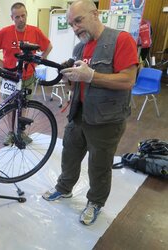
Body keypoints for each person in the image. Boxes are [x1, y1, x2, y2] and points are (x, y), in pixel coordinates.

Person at [42, 0, 138, 226]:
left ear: (95, 14)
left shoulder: (120, 40)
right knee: (70, 155)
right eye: (71, 24)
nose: (75, 28)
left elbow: (128, 79)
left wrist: (91, 76)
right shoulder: (79, 48)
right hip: (79, 114)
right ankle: (64, 189)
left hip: (106, 120)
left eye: (78, 20)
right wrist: (70, 80)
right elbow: (77, 86)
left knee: (99, 165)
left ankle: (95, 202)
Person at [0, 2, 52, 145]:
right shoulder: (5, 32)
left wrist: (39, 62)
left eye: (23, 15)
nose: (21, 19)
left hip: (28, 77)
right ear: (12, 17)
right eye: (17, 17)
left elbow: (49, 46)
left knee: (25, 106)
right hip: (10, 76)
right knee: (9, 107)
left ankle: (20, 133)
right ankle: (10, 133)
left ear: (26, 14)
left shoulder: (35, 31)